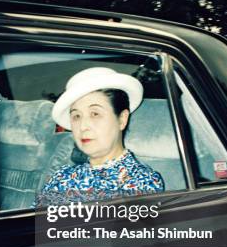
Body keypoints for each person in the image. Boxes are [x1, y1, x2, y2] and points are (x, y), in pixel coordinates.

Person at [35, 67, 164, 206]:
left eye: (95, 114)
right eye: (76, 116)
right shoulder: (62, 175)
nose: (83, 126)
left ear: (122, 119)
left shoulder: (142, 182)